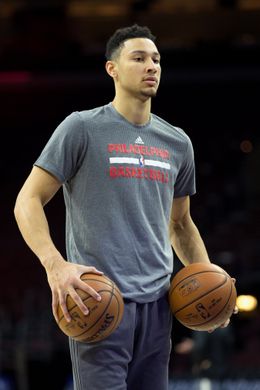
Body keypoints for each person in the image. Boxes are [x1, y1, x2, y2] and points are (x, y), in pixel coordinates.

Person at [14, 24, 235, 390]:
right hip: (100, 301)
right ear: (111, 68)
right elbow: (28, 199)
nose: (152, 66)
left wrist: (207, 284)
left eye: (156, 59)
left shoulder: (177, 142)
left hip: (160, 304)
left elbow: (180, 224)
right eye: (139, 58)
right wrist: (55, 265)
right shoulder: (81, 128)